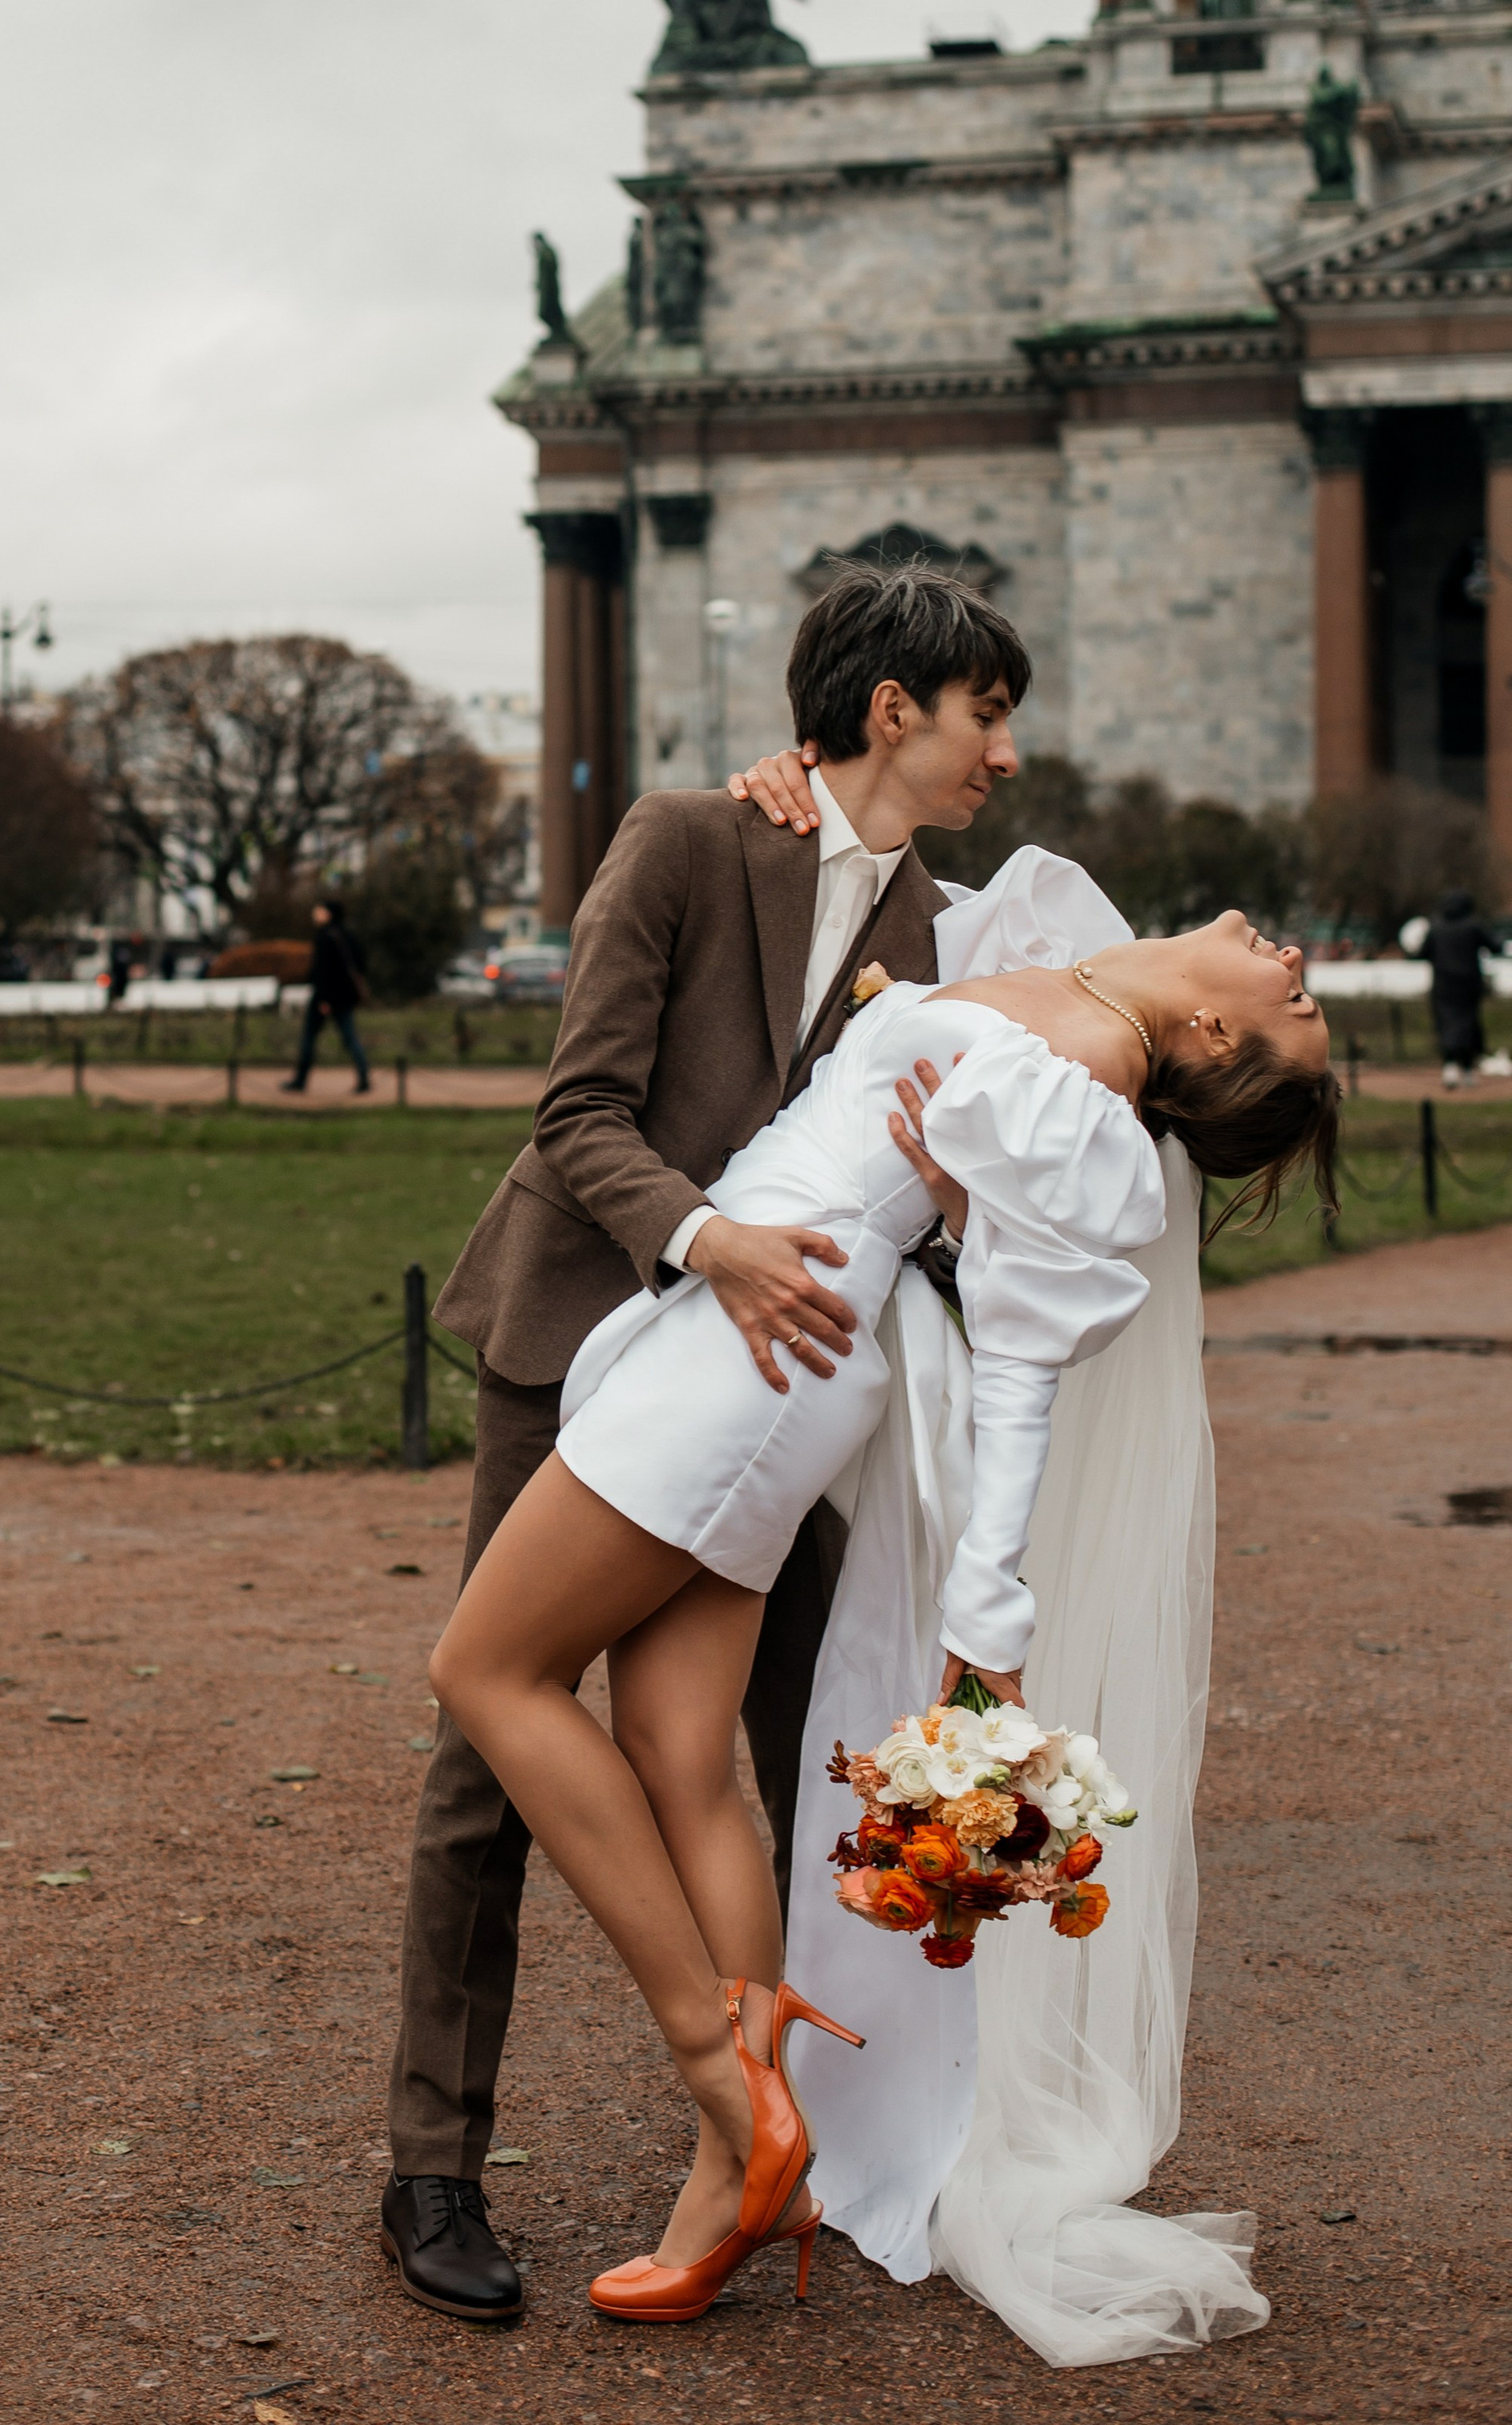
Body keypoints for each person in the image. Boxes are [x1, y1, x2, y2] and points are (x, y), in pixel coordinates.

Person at [429, 854, 1339, 2364]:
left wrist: (991, 1624)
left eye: (1295, 1005)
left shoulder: (1082, 1104)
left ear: (1222, 1044)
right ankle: (737, 2184)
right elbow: (904, 837)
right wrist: (783, 785)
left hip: (753, 1361)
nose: (1293, 959)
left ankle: (726, 2083)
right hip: (750, 1336)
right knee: (674, 1747)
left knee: (490, 1672)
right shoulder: (1066, 973)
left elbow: (1023, 1383)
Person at [381, 564, 1029, 2321]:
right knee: (485, 1757)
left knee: (780, 1740)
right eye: (984, 712)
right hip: (585, 1329)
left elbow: (932, 1175)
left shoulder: (938, 927)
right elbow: (574, 1111)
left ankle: (792, 2145)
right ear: (889, 709)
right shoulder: (682, 838)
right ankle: (432, 2171)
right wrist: (705, 1240)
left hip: (785, 1381)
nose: (1008, 752)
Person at [281, 898, 373, 1094]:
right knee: (350, 1038)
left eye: (320, 910)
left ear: (328, 914)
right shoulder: (348, 936)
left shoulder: (324, 937)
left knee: (309, 1039)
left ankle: (300, 1080)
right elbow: (360, 964)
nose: (316, 913)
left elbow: (323, 972)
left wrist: (324, 1000)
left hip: (326, 999)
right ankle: (364, 1077)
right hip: (345, 998)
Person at [1422, 887, 1498, 1086]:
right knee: (1468, 1024)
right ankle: (1467, 1069)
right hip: (1469, 985)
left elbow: (1422, 952)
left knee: (1446, 1024)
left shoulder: (1436, 926)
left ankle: (1450, 1066)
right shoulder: (1474, 925)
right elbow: (1495, 946)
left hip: (1443, 986)